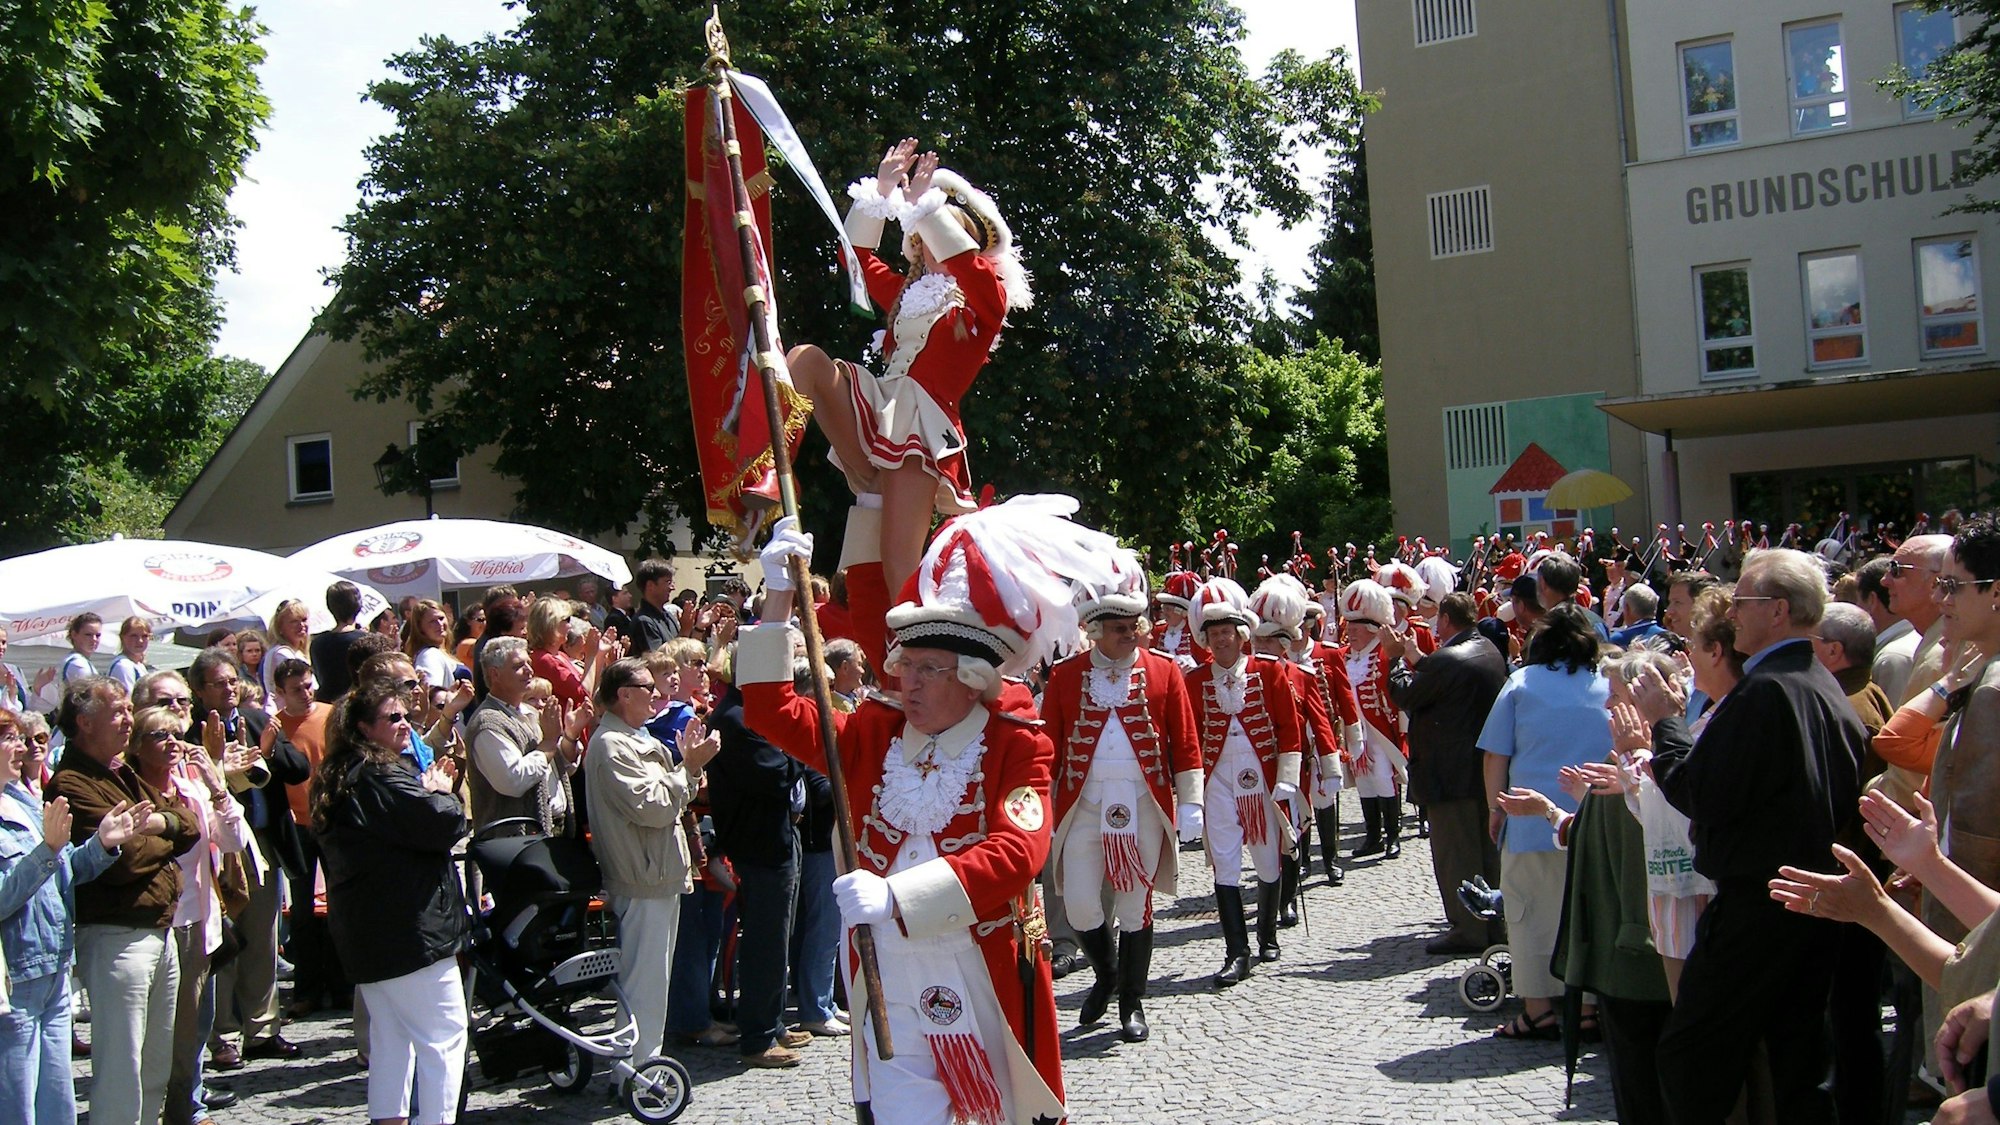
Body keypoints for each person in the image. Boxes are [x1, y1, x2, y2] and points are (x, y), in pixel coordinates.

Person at [741, 502, 1088, 1125]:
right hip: (885, 968)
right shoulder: (873, 733)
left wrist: (898, 897)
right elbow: (770, 710)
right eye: (905, 665)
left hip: (980, 964)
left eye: (930, 669)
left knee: (996, 1113)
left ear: (976, 677)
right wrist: (778, 596)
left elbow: (1017, 854)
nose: (909, 683)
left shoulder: (1017, 742)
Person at [787, 141, 1033, 673]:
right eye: (920, 235)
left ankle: (910, 661)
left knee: (893, 561)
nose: (924, 244)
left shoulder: (982, 304)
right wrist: (879, 191)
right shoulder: (904, 294)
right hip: (879, 411)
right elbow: (856, 260)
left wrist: (928, 203)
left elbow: (970, 270)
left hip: (922, 427)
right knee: (804, 360)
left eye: (936, 232)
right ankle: (767, 470)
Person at [1646, 547, 1867, 1124]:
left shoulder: (1767, 690)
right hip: (1808, 900)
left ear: (1776, 610)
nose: (1733, 613)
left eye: (1741, 601)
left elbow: (1703, 792)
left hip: (1761, 902)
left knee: (1694, 1051)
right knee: (1795, 1057)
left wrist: (1664, 724)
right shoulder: (1820, 684)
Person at [1040, 575, 1201, 1040]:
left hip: (1143, 806)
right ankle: (1108, 974)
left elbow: (1185, 740)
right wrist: (1040, 806)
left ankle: (1132, 1002)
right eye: (1120, 628)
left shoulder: (1165, 670)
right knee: (1080, 906)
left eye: (1135, 626)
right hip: (1085, 807)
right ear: (1094, 631)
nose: (1131, 634)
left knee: (1134, 909)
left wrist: (1190, 802)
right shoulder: (1067, 675)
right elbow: (1048, 746)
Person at [311, 680, 470, 1125]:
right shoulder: (379, 774)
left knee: (391, 1040)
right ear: (363, 727)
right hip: (409, 930)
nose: (404, 724)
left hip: (370, 931)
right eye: (392, 718)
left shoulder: (340, 773)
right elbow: (440, 823)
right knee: (444, 1037)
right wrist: (439, 791)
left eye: (405, 715)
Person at [50, 677, 203, 1125]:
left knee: (155, 1061)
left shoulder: (121, 771)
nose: (126, 719)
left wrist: (154, 823)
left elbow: (189, 825)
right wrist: (164, 831)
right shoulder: (71, 782)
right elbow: (124, 861)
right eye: (116, 711)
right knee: (122, 1064)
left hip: (159, 930)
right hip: (116, 936)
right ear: (84, 722)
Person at [0, 707, 143, 1125]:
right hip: (16, 978)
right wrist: (46, 852)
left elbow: (64, 873)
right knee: (17, 1104)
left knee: (58, 1102)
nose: (23, 747)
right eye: (9, 738)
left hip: (55, 965)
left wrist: (101, 844)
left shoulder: (22, 799)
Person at [1478, 603, 1614, 1041]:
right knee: (1587, 913)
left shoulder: (1520, 683)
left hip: (1529, 818)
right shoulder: (1607, 683)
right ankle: (1589, 1007)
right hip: (1595, 820)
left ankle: (1538, 1010)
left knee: (1528, 914)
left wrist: (1495, 809)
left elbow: (1496, 754)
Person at [187, 647, 307, 1067]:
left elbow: (299, 769)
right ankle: (223, 1035)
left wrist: (269, 748)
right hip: (217, 851)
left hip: (262, 844)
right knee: (223, 942)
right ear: (201, 691)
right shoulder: (189, 733)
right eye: (219, 683)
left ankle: (262, 1028)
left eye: (232, 680)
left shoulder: (257, 719)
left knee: (263, 938)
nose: (229, 689)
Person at [128, 705, 246, 1125]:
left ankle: (184, 1108)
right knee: (153, 1030)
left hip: (197, 919)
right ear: (138, 746)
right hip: (153, 922)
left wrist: (217, 788)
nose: (173, 743)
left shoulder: (191, 787)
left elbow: (230, 840)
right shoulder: (132, 789)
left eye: (176, 734)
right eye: (160, 735)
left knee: (191, 1026)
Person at [1186, 577, 1301, 983]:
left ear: (1242, 635)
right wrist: (1191, 797)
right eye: (1213, 634)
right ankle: (1237, 951)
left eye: (1227, 633)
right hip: (1217, 780)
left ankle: (1267, 932)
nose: (1220, 641)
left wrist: (1287, 779)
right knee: (1225, 865)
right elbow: (1189, 740)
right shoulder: (1194, 681)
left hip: (1263, 780)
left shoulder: (1269, 671)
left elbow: (1289, 727)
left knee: (1269, 859)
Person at [705, 644, 810, 1067]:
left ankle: (772, 1023)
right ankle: (758, 1037)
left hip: (776, 836)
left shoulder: (750, 712)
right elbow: (775, 774)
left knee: (777, 937)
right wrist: (797, 749)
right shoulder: (737, 717)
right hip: (758, 843)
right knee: (765, 941)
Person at [1388, 591, 1508, 955]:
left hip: (1447, 772)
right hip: (1479, 770)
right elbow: (1442, 675)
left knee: (1456, 855)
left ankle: (1467, 929)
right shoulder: (1487, 648)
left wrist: (1395, 661)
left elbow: (1407, 694)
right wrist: (1417, 657)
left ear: (1444, 620)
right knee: (1487, 853)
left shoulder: (1449, 659)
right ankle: (1493, 923)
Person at [464, 637, 582, 837]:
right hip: (516, 841)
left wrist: (570, 735)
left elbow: (559, 767)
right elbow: (513, 781)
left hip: (553, 829)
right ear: (495, 674)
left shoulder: (530, 713)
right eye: (519, 666)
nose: (529, 670)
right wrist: (548, 743)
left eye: (529, 663)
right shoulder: (488, 723)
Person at [1335, 580, 1409, 859]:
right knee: (1364, 781)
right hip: (1356, 730)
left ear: (1370, 630)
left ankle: (1392, 835)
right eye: (1348, 628)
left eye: (1355, 630)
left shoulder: (1383, 654)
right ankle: (1373, 835)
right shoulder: (1346, 656)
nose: (1349, 634)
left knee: (1382, 778)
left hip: (1380, 730)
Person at [311, 581, 368, 704]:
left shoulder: (317, 644)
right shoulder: (367, 641)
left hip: (327, 706)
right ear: (358, 604)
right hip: (359, 706)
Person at [403, 600, 462, 688]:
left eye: (441, 618)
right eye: (432, 621)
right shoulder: (429, 655)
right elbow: (432, 693)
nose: (439, 624)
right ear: (420, 627)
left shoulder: (440, 652)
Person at [260, 599, 311, 701]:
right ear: (280, 627)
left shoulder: (297, 652)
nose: (301, 625)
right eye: (294, 621)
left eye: (304, 619)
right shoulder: (282, 654)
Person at [108, 617, 153, 690]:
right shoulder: (123, 665)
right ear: (123, 637)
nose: (140, 641)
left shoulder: (139, 665)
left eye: (144, 636)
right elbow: (128, 699)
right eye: (134, 636)